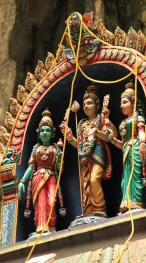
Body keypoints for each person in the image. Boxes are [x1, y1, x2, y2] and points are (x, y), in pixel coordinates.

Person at [60, 85, 117, 216]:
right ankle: (88, 212)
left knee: (94, 180)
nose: (85, 106)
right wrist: (69, 137)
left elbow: (112, 135)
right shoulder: (82, 124)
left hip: (97, 153)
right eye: (84, 103)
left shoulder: (101, 119)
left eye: (89, 103)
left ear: (97, 106)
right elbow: (78, 144)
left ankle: (100, 210)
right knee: (85, 184)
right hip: (84, 156)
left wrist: (98, 132)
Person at [18, 109, 62, 233]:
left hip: (51, 177)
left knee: (51, 201)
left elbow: (60, 169)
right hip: (37, 177)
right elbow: (31, 166)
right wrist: (22, 181)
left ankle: (51, 226)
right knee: (40, 203)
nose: (44, 133)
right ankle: (41, 227)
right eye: (42, 130)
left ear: (52, 133)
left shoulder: (55, 148)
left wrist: (60, 157)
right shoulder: (35, 148)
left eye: (47, 130)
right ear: (38, 133)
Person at [115, 82, 146, 213]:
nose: (121, 105)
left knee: (136, 174)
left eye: (124, 102)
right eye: (121, 103)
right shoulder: (123, 122)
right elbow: (122, 143)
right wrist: (111, 139)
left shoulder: (137, 117)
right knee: (126, 178)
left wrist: (142, 143)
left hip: (136, 146)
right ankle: (127, 202)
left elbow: (141, 130)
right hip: (126, 149)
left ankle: (137, 202)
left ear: (133, 103)